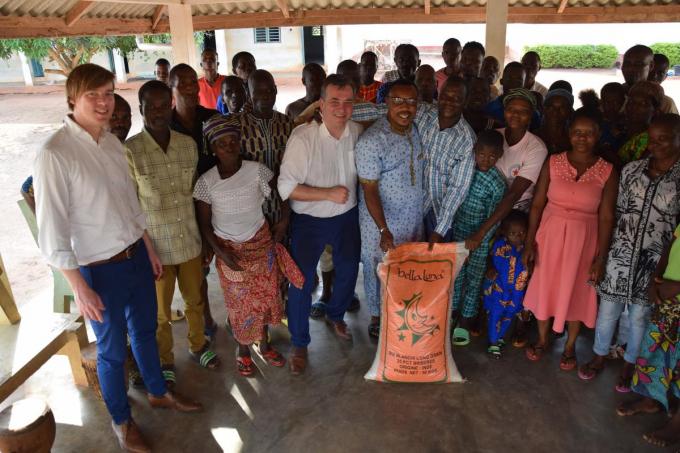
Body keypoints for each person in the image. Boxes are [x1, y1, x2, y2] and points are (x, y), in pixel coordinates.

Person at [33, 64, 201, 453]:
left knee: (145, 332)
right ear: (72, 98)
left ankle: (158, 392)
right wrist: (79, 288)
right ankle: (122, 422)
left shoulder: (110, 142)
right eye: (93, 95)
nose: (103, 102)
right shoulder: (55, 154)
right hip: (97, 270)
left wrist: (148, 246)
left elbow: (129, 203)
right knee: (111, 352)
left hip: (135, 258)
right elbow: (52, 234)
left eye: (108, 93)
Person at [126, 80, 220, 387]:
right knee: (160, 314)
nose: (158, 112)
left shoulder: (187, 145)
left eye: (163, 105)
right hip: (155, 250)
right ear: (140, 109)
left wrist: (206, 240)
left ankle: (198, 346)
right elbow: (130, 206)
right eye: (150, 106)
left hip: (189, 240)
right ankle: (165, 359)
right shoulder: (131, 152)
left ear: (171, 105)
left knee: (195, 301)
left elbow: (196, 195)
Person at [579, 114, 680, 392]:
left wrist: (664, 271)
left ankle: (630, 363)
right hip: (619, 256)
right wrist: (602, 257)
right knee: (608, 310)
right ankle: (599, 355)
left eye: (664, 139)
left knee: (639, 316)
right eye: (652, 138)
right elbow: (613, 214)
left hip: (654, 262)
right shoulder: (632, 170)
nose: (655, 145)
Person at [195, 115, 303, 376]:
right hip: (230, 252)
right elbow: (205, 225)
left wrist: (285, 219)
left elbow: (283, 190)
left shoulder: (256, 171)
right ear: (213, 148)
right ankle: (243, 351)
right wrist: (221, 253)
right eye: (222, 143)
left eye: (233, 140)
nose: (229, 146)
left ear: (240, 141)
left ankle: (264, 345)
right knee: (240, 305)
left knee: (264, 300)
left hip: (261, 244)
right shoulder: (206, 182)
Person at [277, 74, 363, 374]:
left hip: (346, 217)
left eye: (348, 102)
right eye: (334, 102)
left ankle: (335, 314)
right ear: (321, 104)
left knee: (350, 268)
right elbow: (286, 187)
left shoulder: (356, 131)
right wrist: (326, 193)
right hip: (309, 220)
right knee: (301, 282)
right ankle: (300, 342)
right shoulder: (304, 138)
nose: (342, 108)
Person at [523, 109, 618, 369]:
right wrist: (530, 242)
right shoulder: (553, 162)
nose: (582, 138)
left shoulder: (607, 171)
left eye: (588, 134)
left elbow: (607, 217)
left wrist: (601, 257)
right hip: (550, 235)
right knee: (546, 286)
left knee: (578, 291)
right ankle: (542, 339)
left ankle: (569, 346)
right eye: (577, 132)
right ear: (569, 133)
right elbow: (537, 204)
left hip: (585, 241)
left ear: (598, 135)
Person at [353, 76, 476, 256]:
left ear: (465, 101)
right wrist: (339, 112)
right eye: (445, 96)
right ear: (438, 95)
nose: (449, 102)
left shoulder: (466, 140)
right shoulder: (425, 113)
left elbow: (458, 190)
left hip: (438, 211)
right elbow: (380, 110)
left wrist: (439, 230)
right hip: (413, 207)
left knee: (429, 267)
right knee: (400, 263)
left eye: (456, 98)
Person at [467, 88, 548, 347]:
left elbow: (514, 194)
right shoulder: (493, 139)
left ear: (531, 116)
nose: (516, 115)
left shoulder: (535, 148)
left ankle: (519, 321)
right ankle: (484, 311)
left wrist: (483, 231)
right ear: (504, 111)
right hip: (488, 210)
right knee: (488, 267)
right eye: (512, 109)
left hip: (517, 217)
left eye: (523, 111)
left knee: (520, 271)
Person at [356, 79, 425, 338]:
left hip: (411, 220)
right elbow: (369, 189)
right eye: (397, 101)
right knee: (378, 268)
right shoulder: (372, 141)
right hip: (380, 224)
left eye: (410, 101)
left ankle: (401, 311)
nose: (405, 107)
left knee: (404, 268)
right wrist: (383, 229)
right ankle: (376, 317)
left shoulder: (415, 129)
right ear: (386, 103)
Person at [617, 170, 680, 447]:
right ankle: (651, 399)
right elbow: (672, 245)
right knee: (655, 349)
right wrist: (657, 280)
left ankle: (677, 421)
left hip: (675, 291)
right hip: (667, 293)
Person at [168, 63, 220, 340]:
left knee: (222, 257)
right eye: (182, 83)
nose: (189, 87)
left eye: (192, 82)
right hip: (185, 207)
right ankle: (206, 317)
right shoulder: (165, 125)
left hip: (217, 203)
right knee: (197, 268)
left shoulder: (211, 117)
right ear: (171, 89)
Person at [450, 130, 507, 345]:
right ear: (475, 151)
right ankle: (452, 313)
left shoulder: (497, 184)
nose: (486, 159)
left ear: (500, 155)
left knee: (474, 279)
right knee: (456, 276)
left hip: (479, 240)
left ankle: (466, 319)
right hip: (458, 232)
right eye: (482, 154)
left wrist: (479, 239)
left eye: (492, 156)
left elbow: (495, 217)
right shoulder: (466, 170)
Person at [237, 69, 293, 243]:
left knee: (285, 263)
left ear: (276, 90)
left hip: (284, 209)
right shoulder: (237, 126)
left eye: (269, 90)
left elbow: (293, 173)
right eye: (258, 91)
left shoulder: (287, 124)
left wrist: (285, 219)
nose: (265, 95)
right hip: (250, 213)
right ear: (248, 93)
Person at [482, 210, 529, 358]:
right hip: (499, 289)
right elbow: (490, 260)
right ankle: (493, 342)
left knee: (510, 314)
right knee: (495, 314)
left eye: (522, 233)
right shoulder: (499, 245)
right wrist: (490, 269)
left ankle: (499, 336)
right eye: (513, 233)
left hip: (516, 291)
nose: (517, 237)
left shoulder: (526, 249)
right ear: (505, 232)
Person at [618, 81, 663, 166]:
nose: (634, 106)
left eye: (643, 104)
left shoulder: (652, 139)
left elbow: (634, 171)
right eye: (631, 101)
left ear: (655, 111)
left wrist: (608, 153)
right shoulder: (620, 127)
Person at [485, 62, 541, 130]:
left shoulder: (532, 113)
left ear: (524, 85)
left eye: (519, 80)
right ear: (501, 81)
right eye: (509, 79)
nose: (514, 84)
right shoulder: (489, 109)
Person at [536, 89, 574, 155]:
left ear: (570, 112)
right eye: (551, 107)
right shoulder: (534, 136)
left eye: (562, 107)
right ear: (544, 109)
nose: (556, 111)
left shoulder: (574, 140)